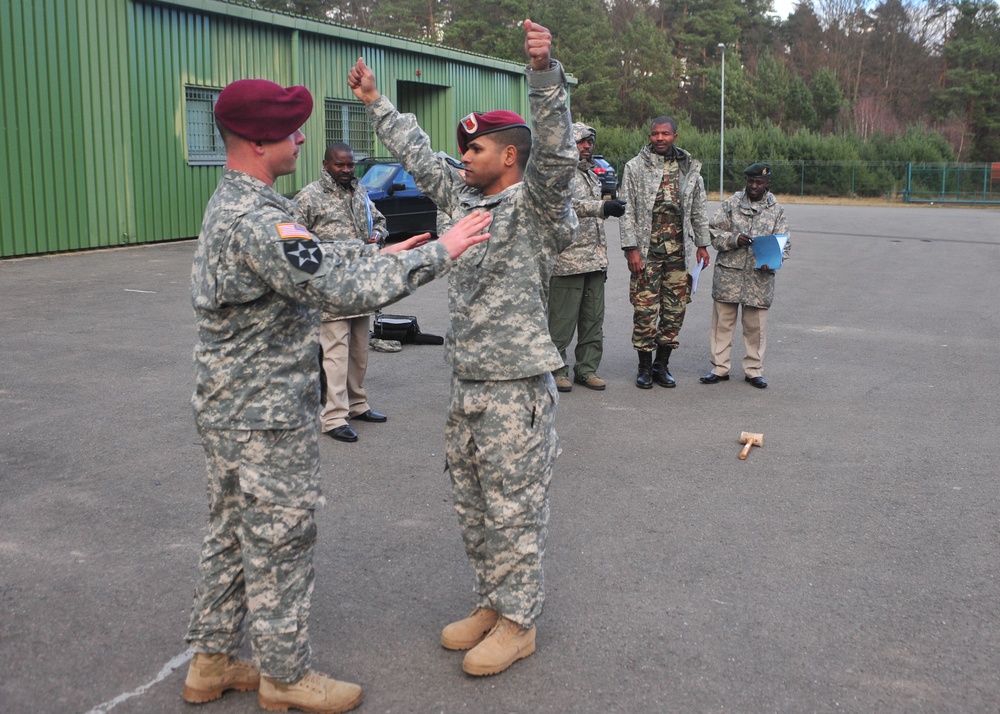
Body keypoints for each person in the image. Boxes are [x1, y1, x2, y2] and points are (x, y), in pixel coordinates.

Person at [183, 78, 491, 713]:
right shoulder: (259, 219)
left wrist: (374, 248)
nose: (301, 139)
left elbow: (311, 259)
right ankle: (285, 676)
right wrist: (440, 251)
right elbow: (337, 291)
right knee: (279, 541)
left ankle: (210, 662)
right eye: (292, 130)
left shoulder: (241, 206)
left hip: (232, 407)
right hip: (263, 415)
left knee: (231, 531)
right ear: (259, 140)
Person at [347, 19, 575, 677]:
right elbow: (419, 154)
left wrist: (544, 77)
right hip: (467, 379)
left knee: (515, 506)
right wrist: (374, 103)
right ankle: (490, 601)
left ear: (506, 156)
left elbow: (557, 156)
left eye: (474, 150)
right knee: (474, 501)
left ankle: (519, 622)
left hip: (515, 386)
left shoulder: (536, 209)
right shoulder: (459, 195)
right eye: (462, 150)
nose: (462, 158)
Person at [295, 142, 388, 443]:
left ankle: (357, 404)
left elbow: (380, 220)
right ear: (326, 165)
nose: (347, 170)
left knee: (359, 352)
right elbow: (295, 239)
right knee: (335, 354)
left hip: (360, 286)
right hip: (331, 289)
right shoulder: (310, 196)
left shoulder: (359, 193)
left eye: (350, 165)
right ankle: (334, 417)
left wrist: (377, 235)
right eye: (340, 165)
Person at [619, 116, 710, 389]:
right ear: (650, 136)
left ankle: (662, 366)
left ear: (675, 136)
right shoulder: (635, 167)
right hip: (647, 250)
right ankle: (644, 367)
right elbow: (627, 211)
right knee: (645, 310)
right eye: (655, 133)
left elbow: (698, 210)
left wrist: (703, 244)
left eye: (665, 134)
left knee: (674, 311)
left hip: (678, 251)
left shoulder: (689, 169)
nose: (660, 138)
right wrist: (631, 248)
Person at [547, 123, 626, 392]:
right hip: (568, 261)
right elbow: (567, 207)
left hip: (594, 260)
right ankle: (556, 370)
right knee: (561, 322)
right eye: (581, 141)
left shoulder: (591, 175)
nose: (587, 146)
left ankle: (587, 369)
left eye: (590, 142)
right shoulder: (558, 175)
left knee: (593, 321)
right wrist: (603, 206)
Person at [700, 162, 790, 389]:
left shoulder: (776, 211)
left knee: (755, 327)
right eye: (751, 181)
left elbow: (785, 245)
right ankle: (720, 368)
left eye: (759, 182)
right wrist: (733, 239)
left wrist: (772, 261)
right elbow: (712, 232)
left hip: (759, 278)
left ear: (768, 183)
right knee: (722, 324)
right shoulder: (731, 204)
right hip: (729, 275)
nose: (754, 186)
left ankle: (754, 370)